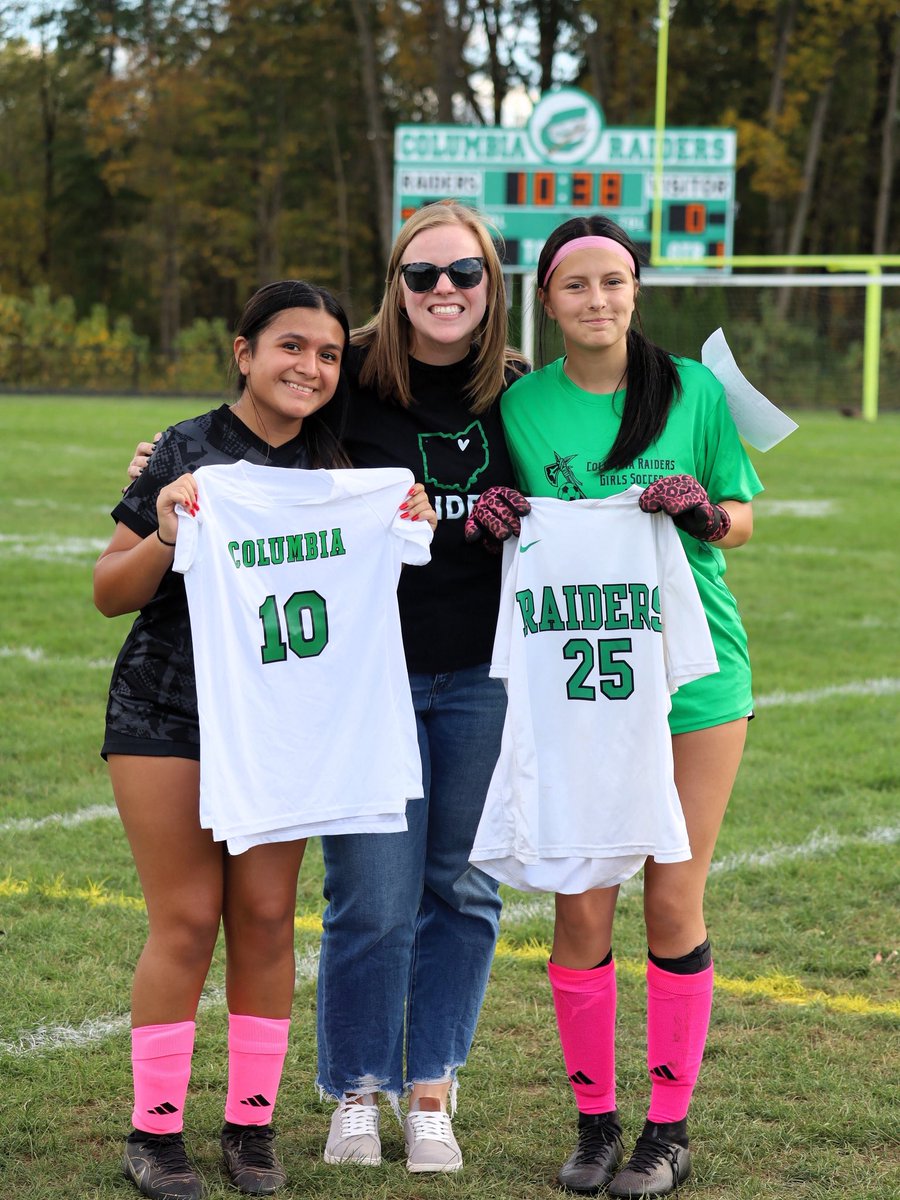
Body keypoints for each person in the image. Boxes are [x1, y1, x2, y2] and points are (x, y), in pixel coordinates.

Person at [125, 200, 529, 1175]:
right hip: (360, 678)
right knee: (372, 897)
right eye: (422, 274)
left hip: (484, 670)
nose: (443, 290)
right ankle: (356, 1084)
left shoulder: (523, 393)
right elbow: (259, 421)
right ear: (395, 285)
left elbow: (599, 449)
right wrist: (170, 475)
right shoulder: (348, 382)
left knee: (464, 890)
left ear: (491, 287)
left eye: (463, 274)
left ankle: (431, 1084)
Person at [95, 278, 436, 1200]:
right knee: (188, 917)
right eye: (290, 346)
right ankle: (155, 1135)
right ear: (244, 352)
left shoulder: (344, 461)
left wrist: (403, 516)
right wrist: (166, 527)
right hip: (168, 713)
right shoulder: (186, 449)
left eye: (328, 354)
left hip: (287, 722)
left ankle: (251, 1128)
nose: (311, 367)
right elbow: (108, 590)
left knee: (263, 919)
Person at [465, 214, 762, 1198]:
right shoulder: (520, 408)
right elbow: (500, 521)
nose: (598, 298)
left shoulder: (695, 391)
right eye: (577, 284)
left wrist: (703, 513)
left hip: (696, 673)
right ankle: (595, 1124)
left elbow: (742, 516)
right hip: (576, 678)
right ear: (545, 300)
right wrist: (496, 515)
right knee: (581, 899)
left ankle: (667, 1131)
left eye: (615, 281)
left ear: (637, 290)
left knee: (674, 897)